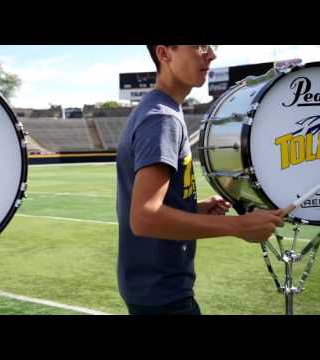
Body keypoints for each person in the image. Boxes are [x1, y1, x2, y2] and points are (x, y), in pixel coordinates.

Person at [116, 45, 284, 315]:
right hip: (163, 294)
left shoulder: (157, 109)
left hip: (151, 287)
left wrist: (193, 208)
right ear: (164, 54)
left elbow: (148, 208)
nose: (211, 55)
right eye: (199, 46)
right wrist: (238, 226)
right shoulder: (162, 118)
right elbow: (144, 217)